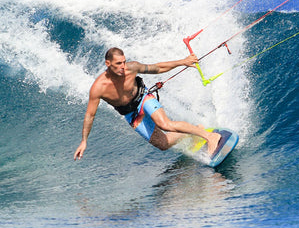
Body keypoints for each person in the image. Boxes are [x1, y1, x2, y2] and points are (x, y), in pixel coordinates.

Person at [73, 47, 221, 160]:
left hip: (143, 98)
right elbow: (90, 115)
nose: (123, 66)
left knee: (165, 124)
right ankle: (194, 130)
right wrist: (84, 141)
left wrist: (183, 62)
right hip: (131, 113)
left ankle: (210, 136)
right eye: (118, 63)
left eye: (124, 62)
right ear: (108, 63)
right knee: (163, 144)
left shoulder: (131, 68)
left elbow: (157, 68)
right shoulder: (99, 88)